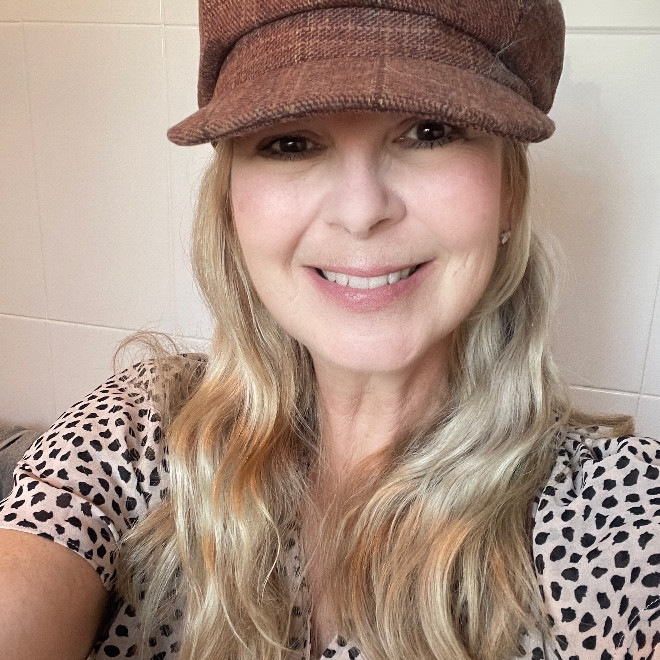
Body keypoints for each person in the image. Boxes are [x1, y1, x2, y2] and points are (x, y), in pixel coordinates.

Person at [0, 0, 658, 658]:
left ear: (509, 191)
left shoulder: (616, 518)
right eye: (291, 142)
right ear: (230, 205)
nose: (361, 211)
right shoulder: (142, 432)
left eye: (429, 131)